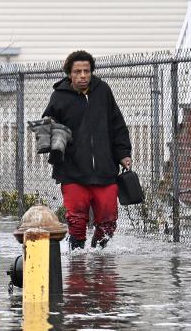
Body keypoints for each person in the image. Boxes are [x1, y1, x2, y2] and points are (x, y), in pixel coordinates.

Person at [41, 50, 132, 250]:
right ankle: (77, 260)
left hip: (105, 170)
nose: (83, 76)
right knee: (77, 220)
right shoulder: (59, 97)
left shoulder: (103, 91)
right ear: (69, 74)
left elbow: (118, 125)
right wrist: (54, 138)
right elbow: (45, 128)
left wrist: (124, 154)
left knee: (108, 221)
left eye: (87, 71)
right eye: (78, 72)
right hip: (73, 171)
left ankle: (100, 255)